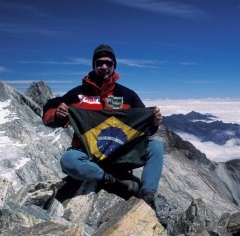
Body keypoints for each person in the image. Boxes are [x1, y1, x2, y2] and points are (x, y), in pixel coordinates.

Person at [42, 44, 163, 208]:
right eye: (99, 63)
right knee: (68, 161)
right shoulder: (79, 94)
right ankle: (112, 180)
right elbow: (49, 110)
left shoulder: (127, 95)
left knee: (155, 147)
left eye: (108, 63)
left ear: (114, 66)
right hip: (88, 153)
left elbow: (144, 127)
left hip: (120, 153)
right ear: (94, 65)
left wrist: (154, 122)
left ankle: (147, 197)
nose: (104, 67)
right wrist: (57, 113)